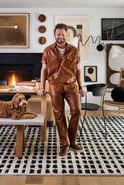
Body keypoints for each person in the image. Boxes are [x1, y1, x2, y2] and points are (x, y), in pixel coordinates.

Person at [37, 23, 86, 157]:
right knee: (58, 115)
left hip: (71, 85)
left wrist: (82, 86)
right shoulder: (47, 50)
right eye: (58, 34)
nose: (61, 37)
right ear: (54, 35)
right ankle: (65, 144)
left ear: (67, 35)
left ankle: (72, 141)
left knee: (76, 111)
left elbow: (79, 70)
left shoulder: (75, 50)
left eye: (63, 34)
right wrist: (42, 87)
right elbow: (44, 70)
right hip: (54, 86)